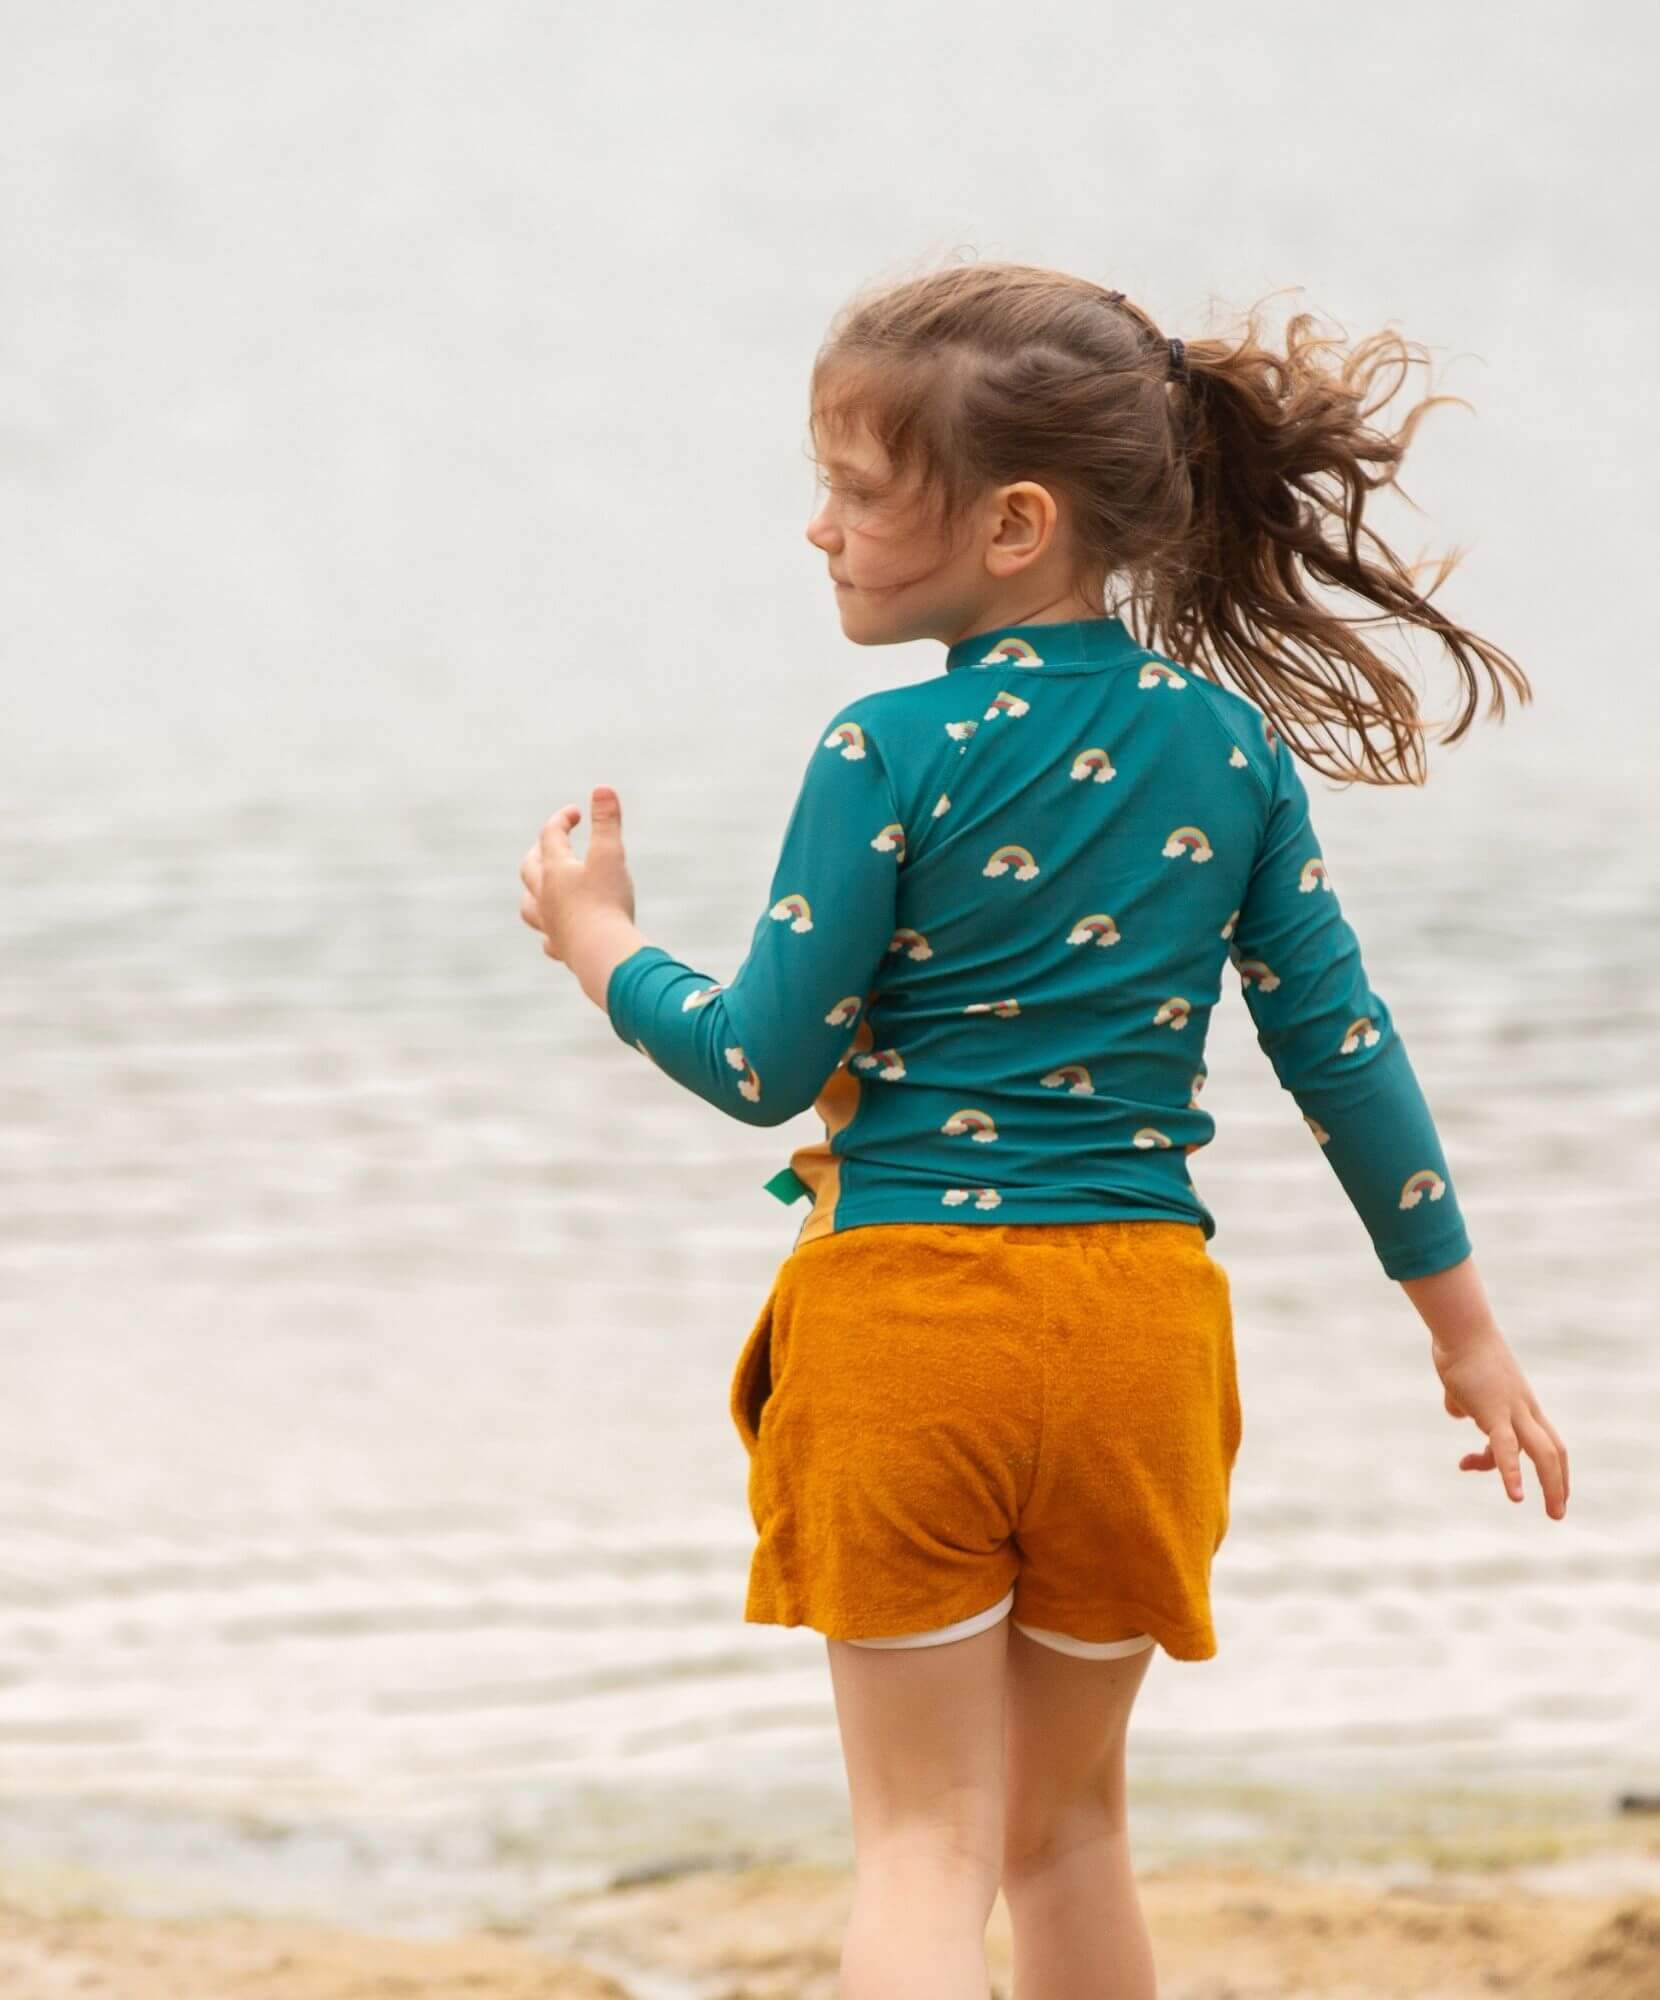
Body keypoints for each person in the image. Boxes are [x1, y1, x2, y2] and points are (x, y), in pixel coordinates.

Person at [517, 260, 1570, 2000]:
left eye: (858, 491)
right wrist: (1464, 1336)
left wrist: (600, 944)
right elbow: (1341, 1049)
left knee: (923, 1848)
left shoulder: (885, 749)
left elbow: (763, 1064)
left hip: (911, 1324)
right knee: (1067, 1831)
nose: (820, 529)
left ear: (1015, 524)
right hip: (1139, 1338)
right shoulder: (1231, 750)